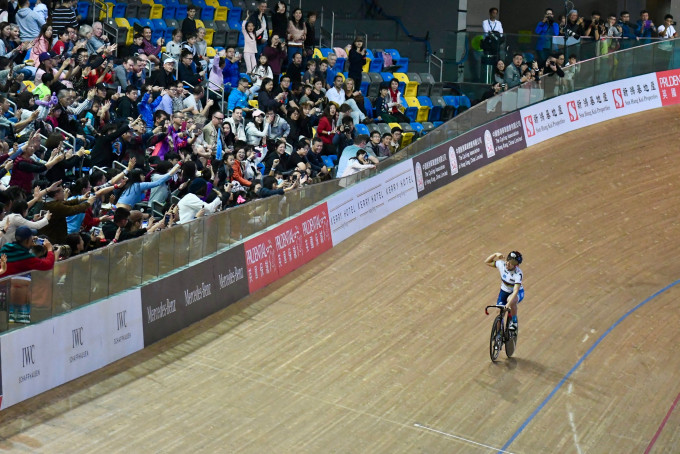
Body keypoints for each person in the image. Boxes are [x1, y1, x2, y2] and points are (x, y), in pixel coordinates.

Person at [485, 251, 524, 332]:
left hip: (517, 293)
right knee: (499, 313)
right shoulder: (501, 264)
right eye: (508, 260)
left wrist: (507, 305)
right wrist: (495, 254)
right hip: (504, 292)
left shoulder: (518, 274)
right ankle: (498, 335)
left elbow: (516, 290)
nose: (508, 264)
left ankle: (514, 322)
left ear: (516, 265)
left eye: (511, 263)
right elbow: (487, 262)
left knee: (510, 300)